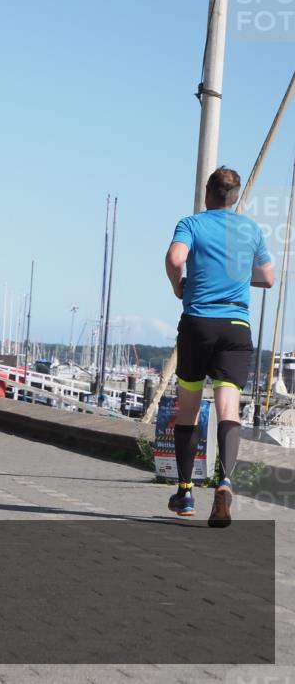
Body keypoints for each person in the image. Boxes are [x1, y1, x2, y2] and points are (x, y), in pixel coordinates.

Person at [165, 166, 273, 527]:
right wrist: (239, 273)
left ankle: (185, 492)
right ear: (236, 197)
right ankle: (225, 482)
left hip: (198, 323)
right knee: (230, 410)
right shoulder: (252, 229)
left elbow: (175, 259)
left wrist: (179, 284)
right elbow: (268, 277)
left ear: (208, 194)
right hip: (236, 327)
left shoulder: (192, 224)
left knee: (189, 410)